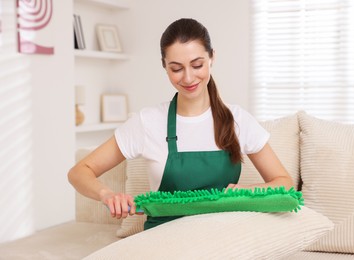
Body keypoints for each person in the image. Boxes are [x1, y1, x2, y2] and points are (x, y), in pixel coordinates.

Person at [68, 18, 293, 230]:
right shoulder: (147, 122)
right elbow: (79, 172)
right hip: (165, 240)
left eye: (197, 65)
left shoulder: (237, 120)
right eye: (176, 68)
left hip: (223, 237)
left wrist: (243, 193)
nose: (187, 78)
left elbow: (285, 183)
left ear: (212, 57)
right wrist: (107, 194)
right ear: (164, 66)